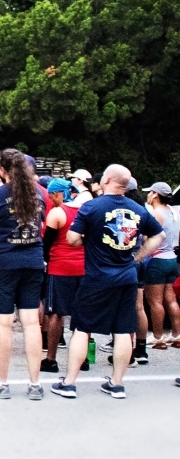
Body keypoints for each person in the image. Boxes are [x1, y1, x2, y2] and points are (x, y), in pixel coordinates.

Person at [52, 165, 164, 400]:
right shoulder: (138, 209)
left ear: (108, 180)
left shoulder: (91, 206)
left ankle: (70, 383)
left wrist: (90, 241)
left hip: (96, 278)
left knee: (82, 329)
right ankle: (116, 384)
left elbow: (72, 238)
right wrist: (138, 256)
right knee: (123, 330)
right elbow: (159, 235)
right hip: (127, 277)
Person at [0, 148, 46, 401]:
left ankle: (2, 382)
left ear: (3, 170)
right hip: (32, 260)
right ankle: (35, 384)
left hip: (3, 262)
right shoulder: (38, 193)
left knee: (3, 323)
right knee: (31, 323)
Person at [40, 178, 86, 373]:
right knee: (81, 314)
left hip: (59, 267)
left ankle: (51, 359)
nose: (50, 198)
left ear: (58, 194)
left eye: (51, 195)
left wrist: (43, 263)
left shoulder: (57, 213)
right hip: (83, 267)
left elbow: (46, 244)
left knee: (55, 314)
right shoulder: (85, 210)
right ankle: (81, 359)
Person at [143, 182, 180, 350]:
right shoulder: (173, 212)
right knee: (171, 299)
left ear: (156, 195)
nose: (148, 196)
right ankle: (177, 334)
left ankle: (158, 338)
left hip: (157, 259)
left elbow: (147, 238)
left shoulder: (156, 213)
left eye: (150, 193)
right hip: (172, 258)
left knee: (154, 301)